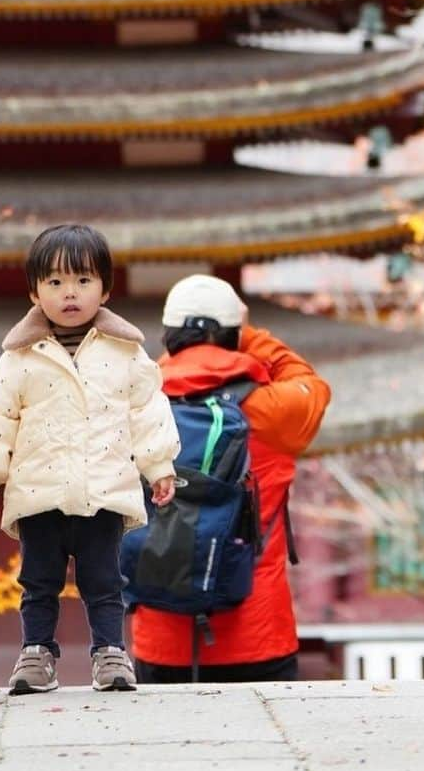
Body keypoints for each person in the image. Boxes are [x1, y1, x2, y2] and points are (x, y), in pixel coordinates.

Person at [0, 223, 180, 695]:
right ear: (34, 292)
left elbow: (147, 409)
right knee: (37, 581)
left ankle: (110, 653)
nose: (69, 293)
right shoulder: (20, 355)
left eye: (83, 280)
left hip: (104, 486)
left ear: (105, 288)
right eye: (55, 282)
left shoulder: (125, 352)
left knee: (104, 580)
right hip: (39, 489)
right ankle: (37, 654)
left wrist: (159, 464)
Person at [129, 274, 331, 683]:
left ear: (169, 336)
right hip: (259, 636)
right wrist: (249, 333)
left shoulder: (136, 405)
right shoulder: (274, 408)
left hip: (161, 641)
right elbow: (309, 381)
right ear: (234, 336)